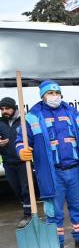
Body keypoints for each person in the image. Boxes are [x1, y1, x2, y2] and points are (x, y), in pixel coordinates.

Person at [16, 81, 79, 248]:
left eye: (57, 92)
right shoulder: (33, 116)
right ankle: (56, 244)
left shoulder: (72, 113)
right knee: (54, 212)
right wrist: (22, 150)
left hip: (75, 170)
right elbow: (21, 140)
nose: (54, 96)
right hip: (52, 173)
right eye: (50, 93)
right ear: (43, 96)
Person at [0, 97, 31, 227]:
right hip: (8, 162)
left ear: (14, 108)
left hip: (23, 162)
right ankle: (26, 207)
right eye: (1, 109)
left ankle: (28, 213)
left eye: (7, 108)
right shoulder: (0, 122)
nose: (4, 111)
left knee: (25, 188)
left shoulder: (24, 121)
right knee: (16, 189)